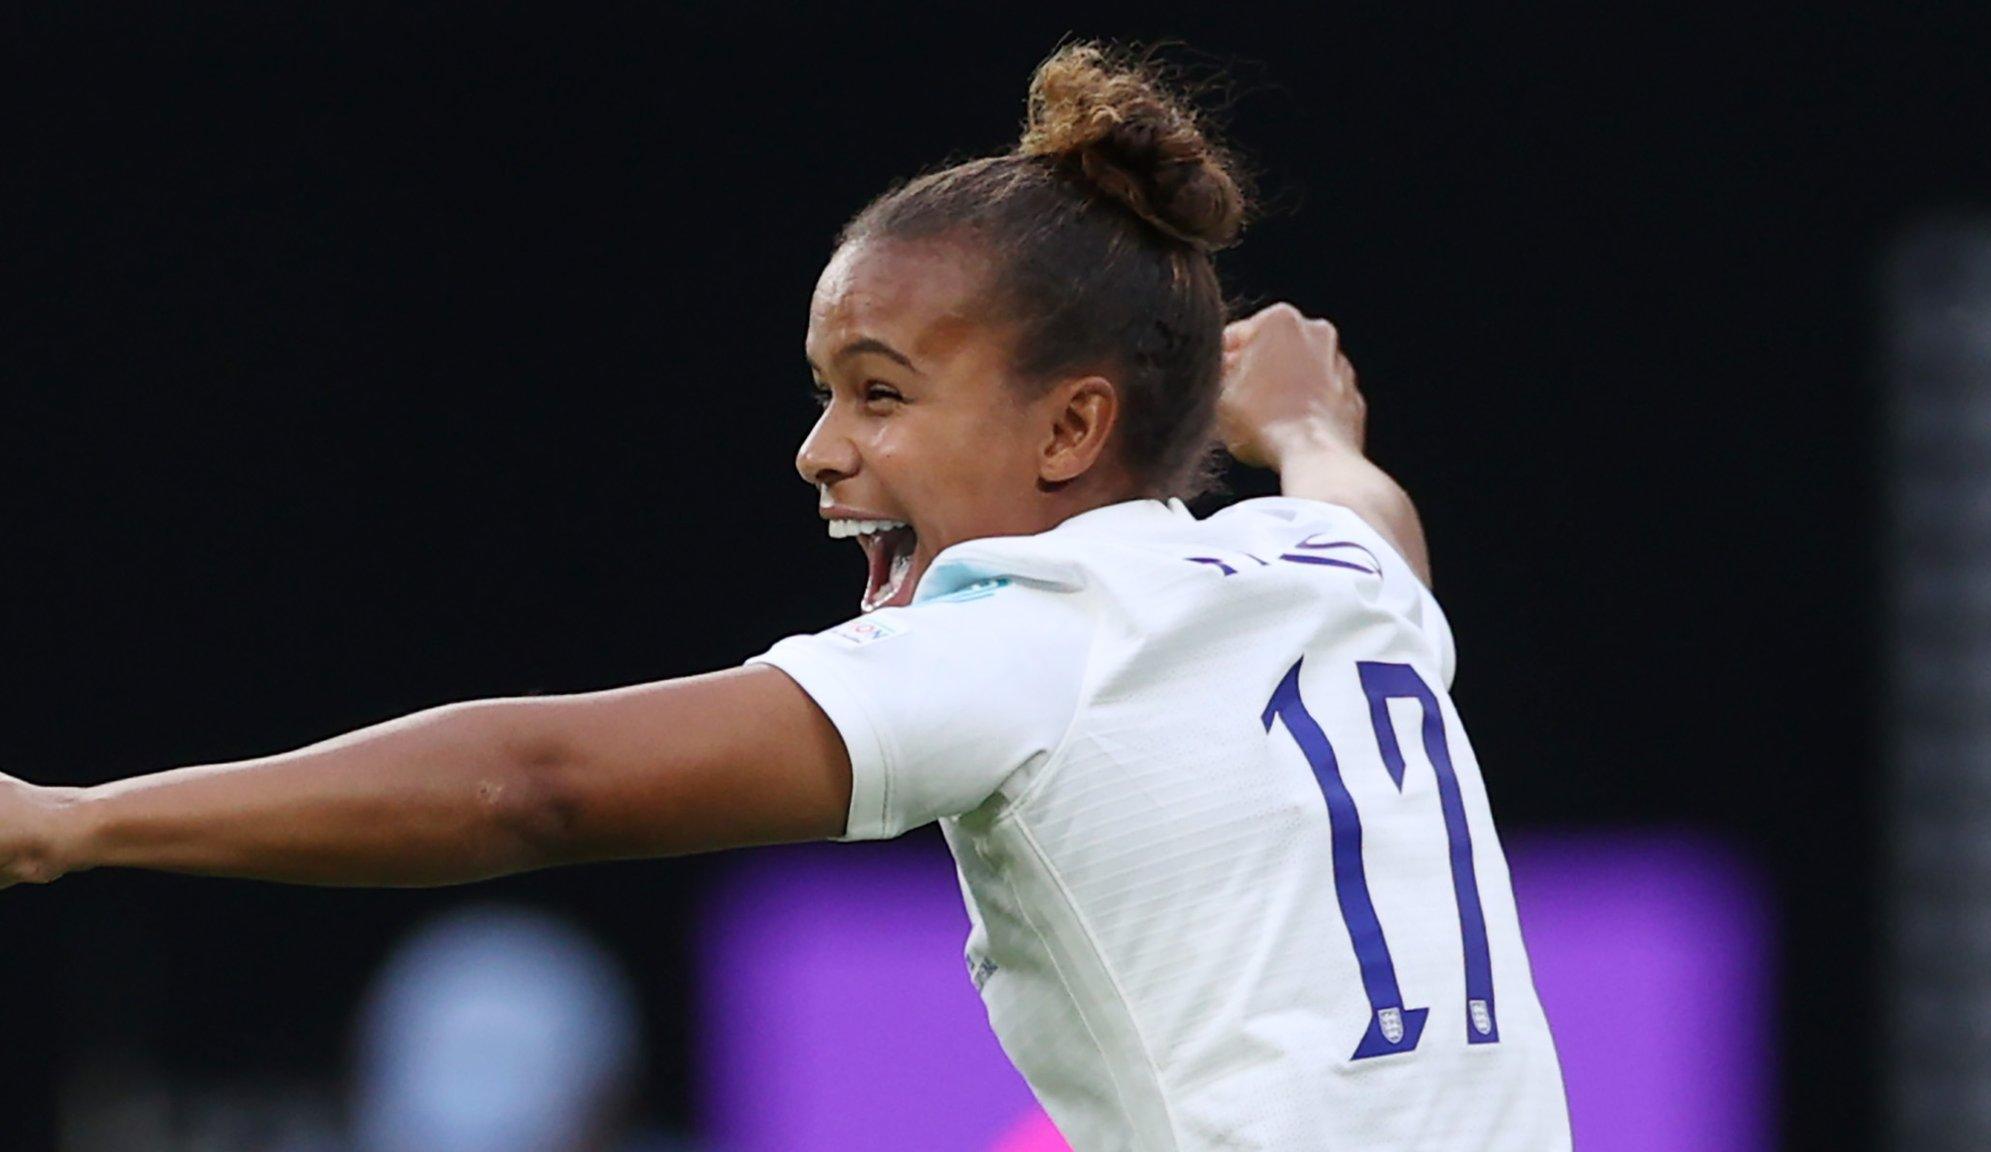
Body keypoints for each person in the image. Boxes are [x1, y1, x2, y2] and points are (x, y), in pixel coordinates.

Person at [1, 43, 1570, 1152]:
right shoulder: (1333, 579)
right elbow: (1371, 518)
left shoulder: (1036, 630)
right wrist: (1304, 429)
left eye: (879, 393)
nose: (821, 451)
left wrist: (73, 821)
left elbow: (530, 788)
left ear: (1074, 427)